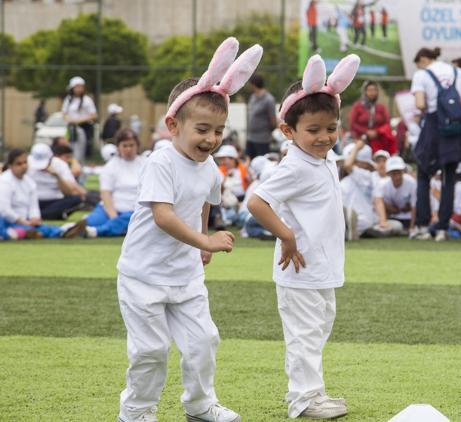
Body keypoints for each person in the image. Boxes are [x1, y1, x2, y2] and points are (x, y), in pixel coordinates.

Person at [115, 36, 260, 422]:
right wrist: (204, 238)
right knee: (150, 350)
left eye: (219, 131)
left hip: (186, 276)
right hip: (142, 276)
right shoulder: (162, 162)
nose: (211, 139)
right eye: (202, 129)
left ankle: (199, 406)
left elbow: (206, 199)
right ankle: (137, 412)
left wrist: (203, 243)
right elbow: (163, 215)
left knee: (203, 342)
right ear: (172, 125)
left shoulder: (210, 166)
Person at [248, 53, 359, 420]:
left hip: (320, 264)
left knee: (319, 327)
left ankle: (313, 391)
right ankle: (304, 400)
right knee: (305, 333)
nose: (325, 137)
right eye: (314, 130)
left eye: (332, 127)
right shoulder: (294, 165)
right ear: (288, 131)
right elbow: (257, 201)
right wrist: (287, 236)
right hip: (299, 266)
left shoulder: (324, 157)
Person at [410, 47, 461, 241]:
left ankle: (422, 225)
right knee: (449, 178)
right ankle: (442, 228)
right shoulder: (458, 72)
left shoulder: (422, 74)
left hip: (432, 126)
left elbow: (420, 104)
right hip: (455, 129)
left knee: (423, 173)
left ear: (423, 59)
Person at [65, 129, 146, 238]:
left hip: (134, 211)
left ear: (137, 146)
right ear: (118, 147)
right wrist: (113, 217)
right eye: (125, 145)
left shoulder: (146, 164)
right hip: (109, 209)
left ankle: (93, 232)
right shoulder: (111, 166)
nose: (128, 149)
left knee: (130, 220)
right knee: (87, 222)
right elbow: (106, 194)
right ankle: (60, 231)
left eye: (131, 145)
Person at [0, 149, 84, 240]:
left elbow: (33, 206)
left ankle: (63, 231)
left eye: (25, 162)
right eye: (19, 164)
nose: (24, 166)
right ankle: (19, 233)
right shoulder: (5, 181)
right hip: (7, 220)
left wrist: (35, 218)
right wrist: (24, 222)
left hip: (24, 220)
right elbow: (5, 210)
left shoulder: (29, 182)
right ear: (10, 166)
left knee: (41, 228)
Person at [26, 143, 84, 220]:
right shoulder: (25, 164)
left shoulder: (61, 165)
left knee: (76, 199)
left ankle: (36, 216)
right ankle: (48, 215)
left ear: (51, 158)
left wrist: (57, 176)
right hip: (32, 200)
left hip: (54, 201)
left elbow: (69, 192)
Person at [341, 141, 381, 239]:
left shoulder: (367, 176)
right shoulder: (368, 176)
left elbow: (347, 166)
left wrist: (356, 148)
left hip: (361, 221)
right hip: (366, 222)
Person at [348, 81, 397, 155]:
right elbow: (353, 123)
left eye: (374, 90)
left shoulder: (381, 108)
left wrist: (376, 132)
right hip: (360, 138)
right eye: (370, 90)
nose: (372, 93)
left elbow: (387, 123)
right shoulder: (358, 106)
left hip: (378, 139)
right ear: (365, 92)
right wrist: (366, 132)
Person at [374, 155, 416, 234]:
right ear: (388, 173)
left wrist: (412, 227)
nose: (397, 176)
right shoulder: (382, 184)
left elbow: (414, 206)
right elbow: (378, 201)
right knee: (396, 226)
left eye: (399, 172)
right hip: (391, 218)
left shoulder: (411, 182)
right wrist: (383, 221)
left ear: (403, 171)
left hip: (408, 218)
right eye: (394, 173)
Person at [62, 76, 97, 162]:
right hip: (71, 128)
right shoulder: (68, 99)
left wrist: (78, 121)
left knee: (79, 152)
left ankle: (79, 167)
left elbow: (94, 115)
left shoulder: (87, 100)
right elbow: (64, 113)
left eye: (81, 87)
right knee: (70, 149)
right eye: (77, 87)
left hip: (82, 128)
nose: (79, 89)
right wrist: (70, 120)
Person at [246, 74, 277, 159]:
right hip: (251, 137)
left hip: (263, 139)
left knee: (262, 162)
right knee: (249, 160)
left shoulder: (269, 99)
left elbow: (273, 120)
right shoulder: (253, 97)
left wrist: (268, 132)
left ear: (253, 84)